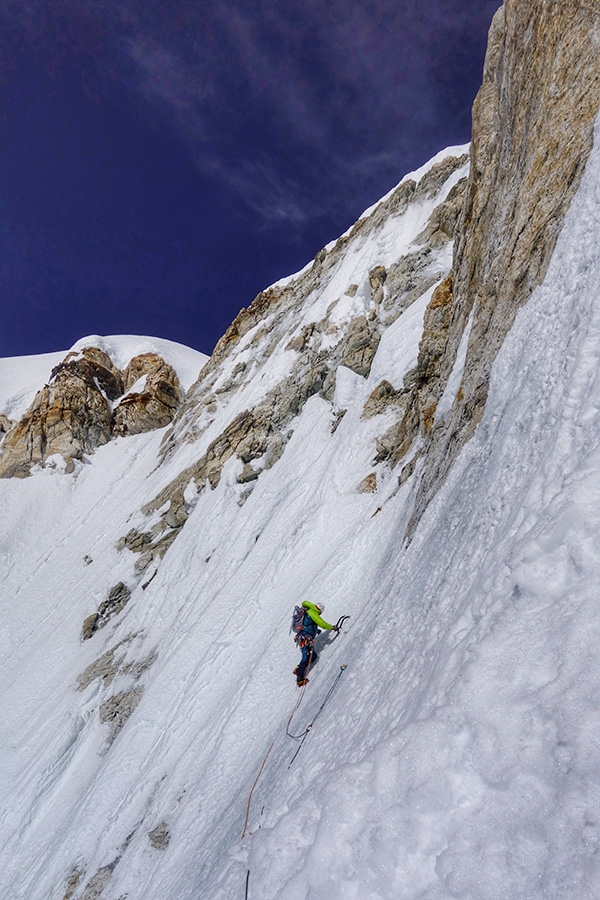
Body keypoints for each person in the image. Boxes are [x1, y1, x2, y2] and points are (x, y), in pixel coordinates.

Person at [293, 600, 337, 686]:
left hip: (303, 637)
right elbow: (322, 623)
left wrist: (316, 630)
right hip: (305, 638)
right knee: (306, 657)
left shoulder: (308, 611)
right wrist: (332, 627)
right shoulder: (313, 613)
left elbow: (309, 624)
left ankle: (300, 668)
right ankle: (300, 677)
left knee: (313, 656)